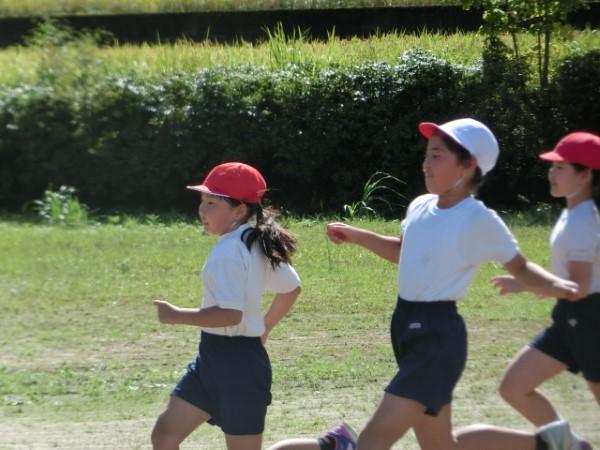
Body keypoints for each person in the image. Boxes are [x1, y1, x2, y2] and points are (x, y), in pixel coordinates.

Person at [266, 118, 583, 450]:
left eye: (437, 156)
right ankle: (551, 443)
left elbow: (521, 267)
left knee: (374, 440)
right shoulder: (420, 205)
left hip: (437, 334)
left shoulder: (478, 218)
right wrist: (359, 236)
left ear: (468, 165)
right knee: (441, 446)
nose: (426, 164)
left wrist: (560, 286)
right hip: (405, 325)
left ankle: (343, 444)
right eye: (427, 155)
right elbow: (403, 252)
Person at [151, 162, 302, 450]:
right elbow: (291, 288)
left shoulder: (231, 251)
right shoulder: (254, 241)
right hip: (213, 358)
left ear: (238, 211)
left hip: (239, 367)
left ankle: (329, 444)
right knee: (165, 433)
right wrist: (265, 327)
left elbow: (231, 315)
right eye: (202, 201)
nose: (201, 210)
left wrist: (177, 315)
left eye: (212, 203)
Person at [492, 132, 600, 450]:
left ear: (585, 175)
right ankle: (571, 446)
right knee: (514, 387)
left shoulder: (582, 221)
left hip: (591, 321)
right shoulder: (573, 214)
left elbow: (578, 288)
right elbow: (571, 282)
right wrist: (531, 284)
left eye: (561, 167)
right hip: (569, 320)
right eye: (552, 166)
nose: (552, 173)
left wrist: (527, 284)